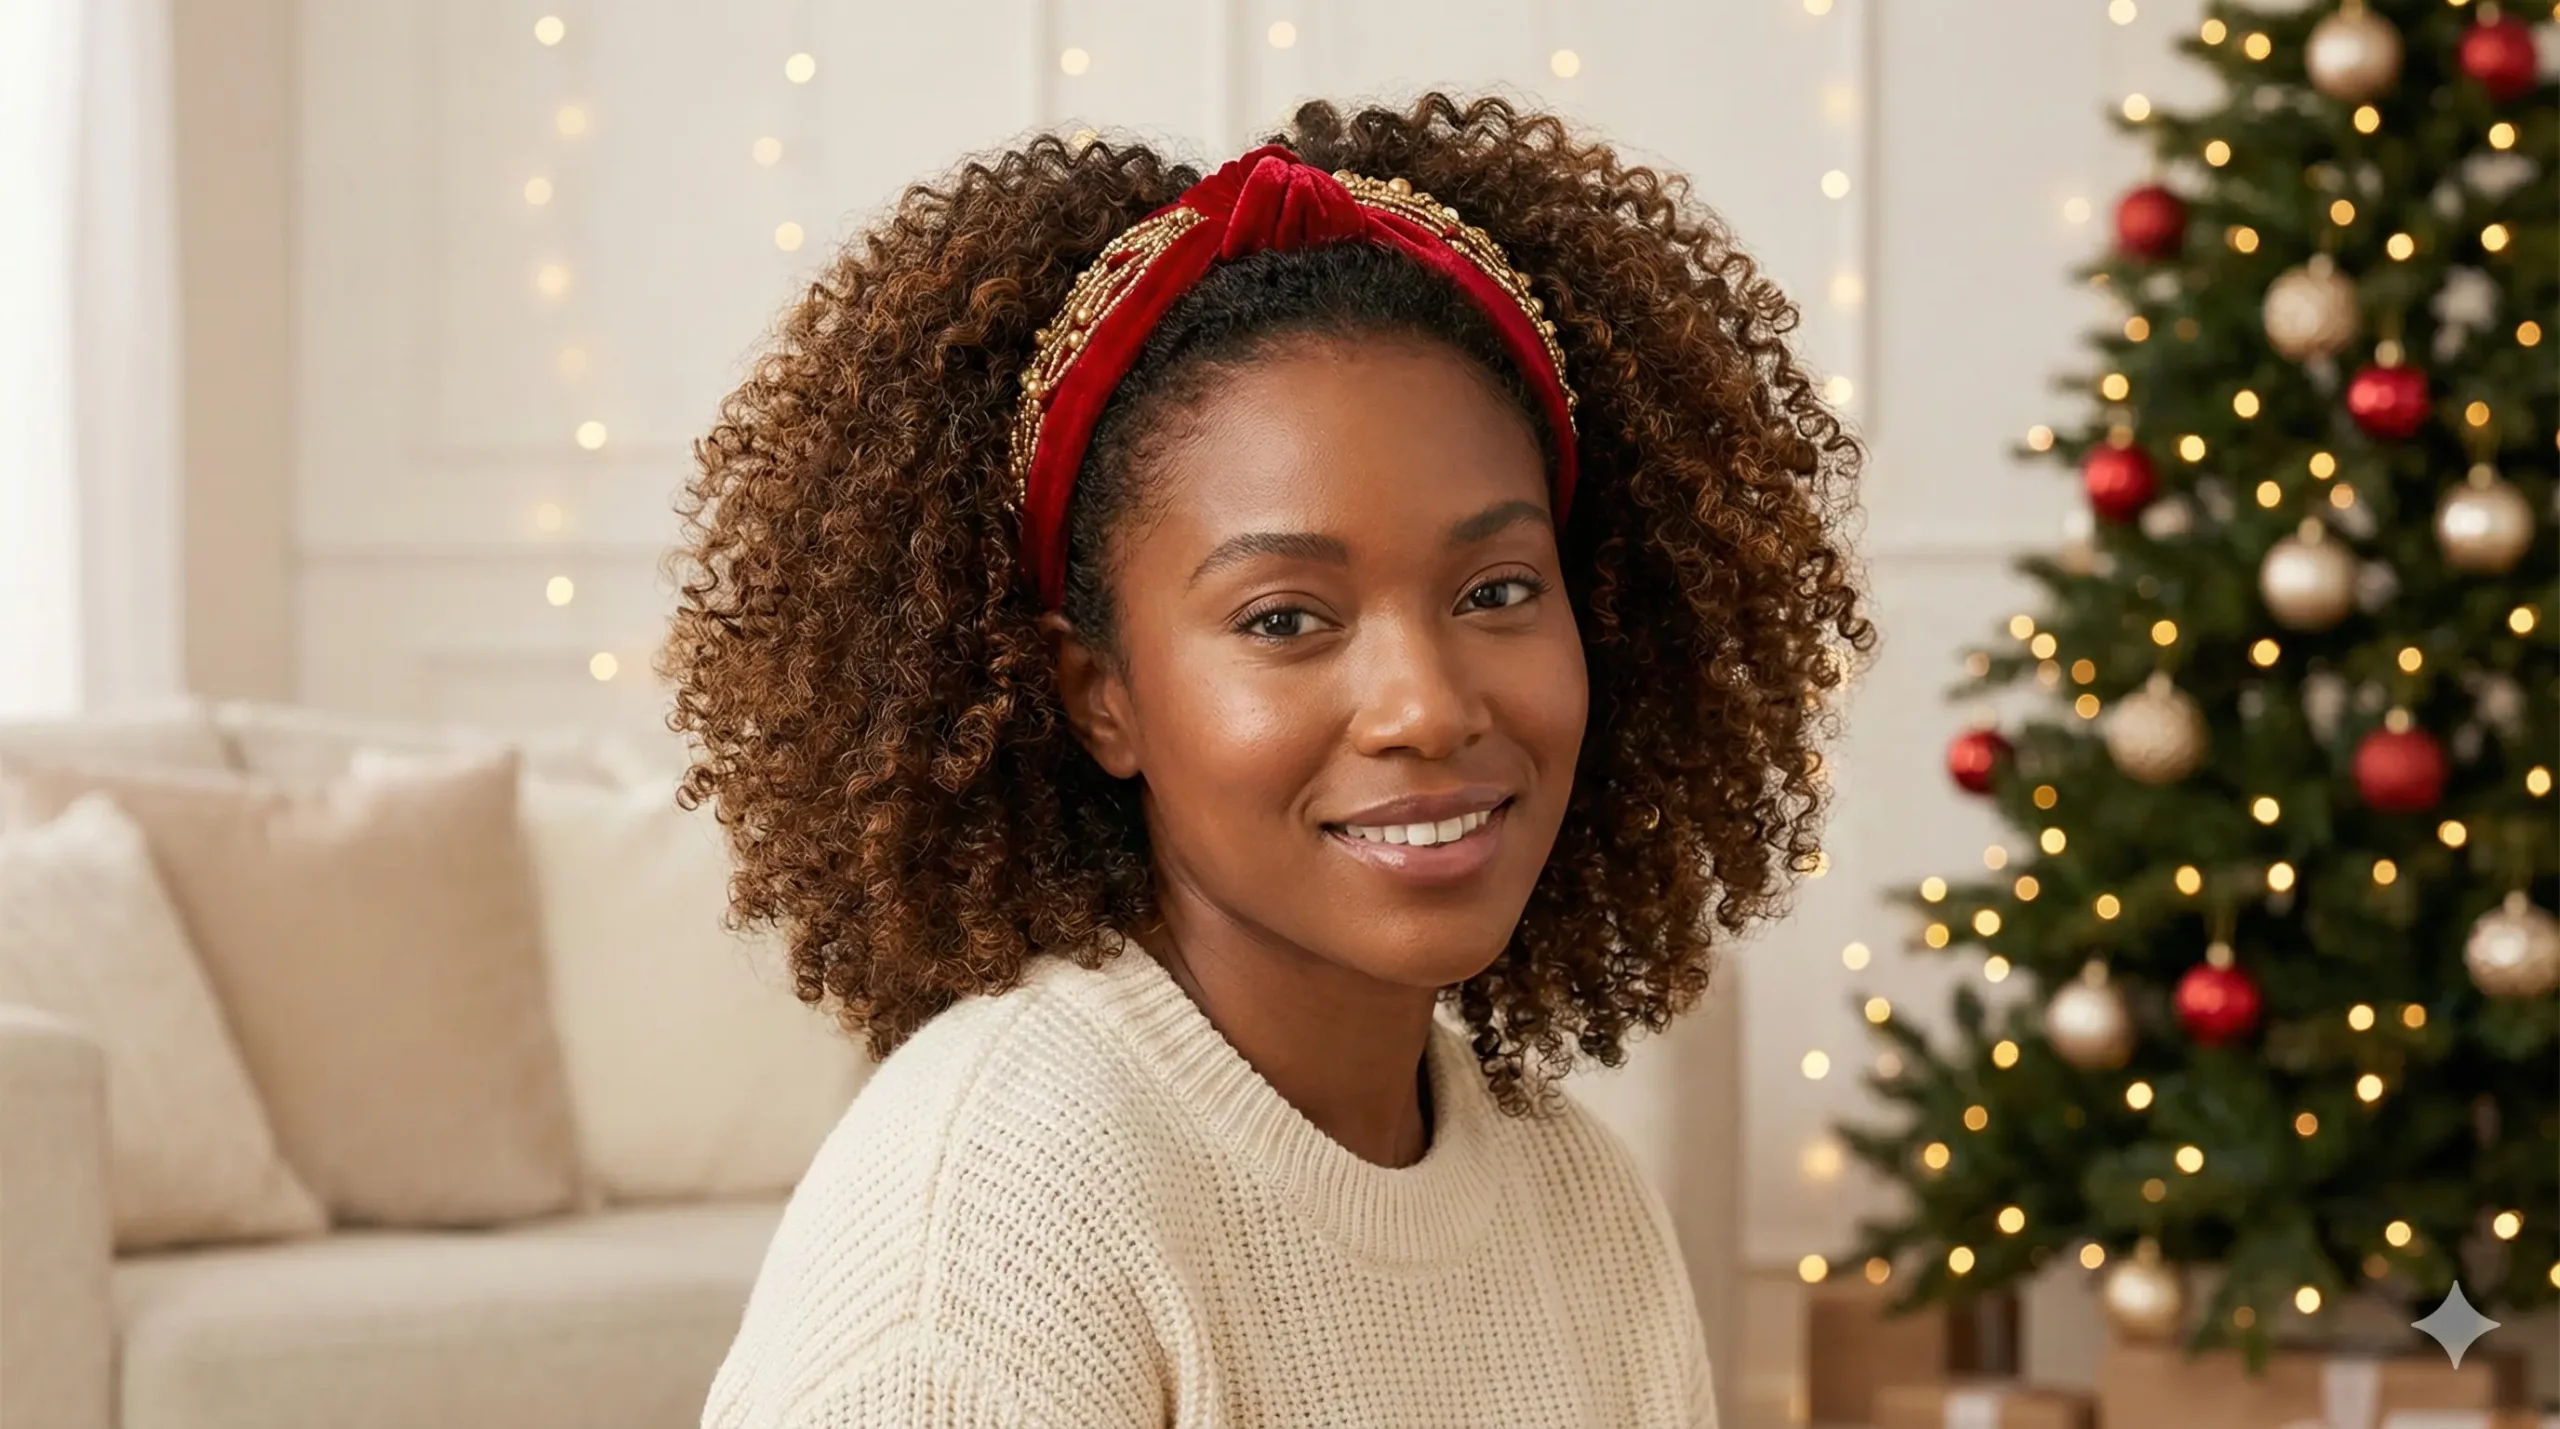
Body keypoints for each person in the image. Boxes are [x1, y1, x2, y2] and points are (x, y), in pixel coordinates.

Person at [673, 91, 1868, 1429]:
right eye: (1286, 619)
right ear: (1100, 696)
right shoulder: (996, 1211)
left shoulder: (1581, 1202)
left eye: (1497, 591)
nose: (1425, 705)